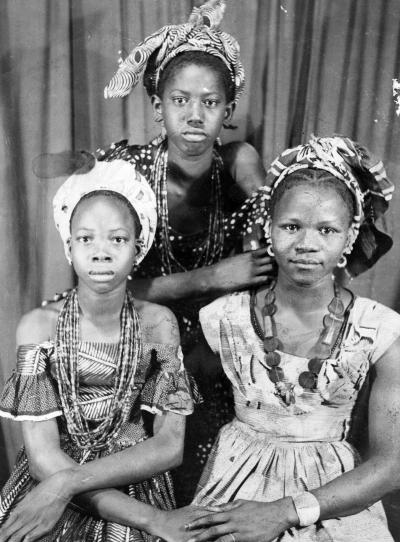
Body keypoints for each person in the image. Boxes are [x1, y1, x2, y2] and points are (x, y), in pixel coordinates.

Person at [180, 136, 400, 541]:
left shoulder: (380, 329)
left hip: (336, 501)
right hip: (233, 489)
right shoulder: (223, 320)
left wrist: (285, 512)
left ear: (350, 237)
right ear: (268, 226)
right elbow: (180, 429)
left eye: (327, 229)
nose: (306, 244)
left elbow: (392, 464)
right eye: (291, 226)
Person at [98, 0, 270, 504]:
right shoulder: (127, 170)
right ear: (158, 106)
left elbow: (265, 211)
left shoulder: (236, 161)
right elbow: (107, 287)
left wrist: (258, 206)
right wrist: (212, 277)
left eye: (211, 102)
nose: (195, 114)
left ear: (228, 110)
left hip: (218, 347)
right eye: (180, 100)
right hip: (143, 336)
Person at [0, 157, 211, 542]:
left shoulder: (158, 322)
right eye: (86, 238)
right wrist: (59, 485)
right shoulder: (38, 326)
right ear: (69, 246)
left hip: (133, 480)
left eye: (118, 239)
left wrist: (148, 518)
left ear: (138, 247)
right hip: (49, 478)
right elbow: (43, 457)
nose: (101, 252)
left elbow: (169, 445)